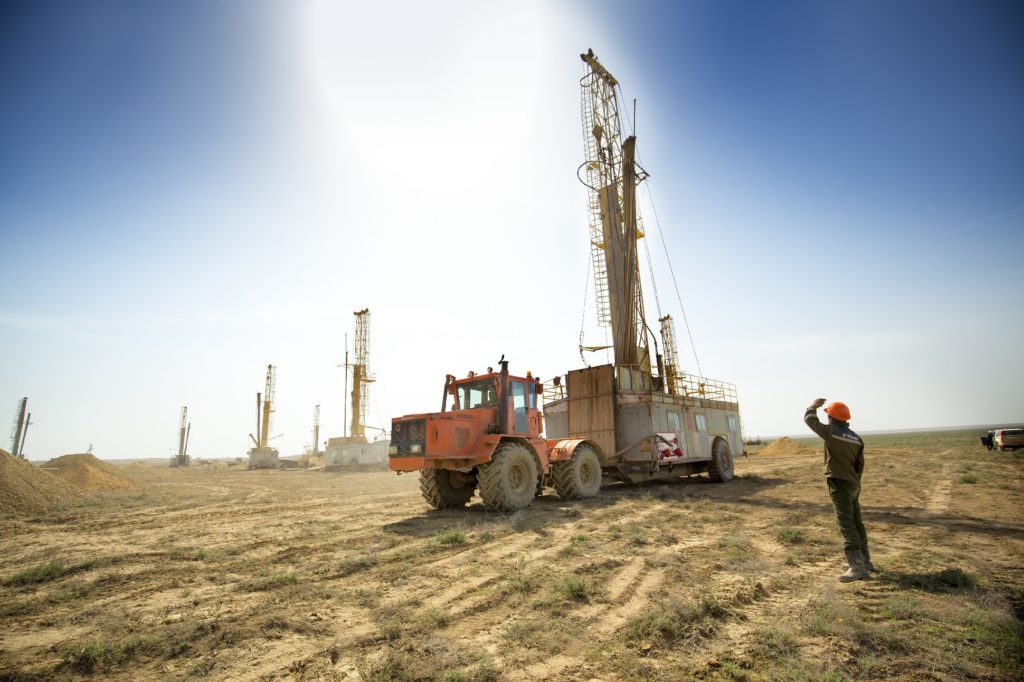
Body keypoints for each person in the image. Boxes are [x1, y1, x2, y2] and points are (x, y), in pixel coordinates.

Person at [804, 398, 874, 582]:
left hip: (839, 484)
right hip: (853, 484)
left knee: (846, 524)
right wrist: (854, 482)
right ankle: (865, 561)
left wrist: (813, 406)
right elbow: (860, 466)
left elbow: (810, 420)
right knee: (857, 523)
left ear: (831, 418)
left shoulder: (831, 432)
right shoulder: (857, 439)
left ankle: (857, 568)